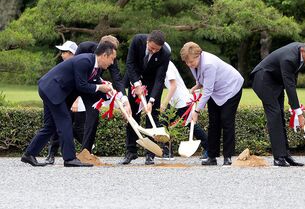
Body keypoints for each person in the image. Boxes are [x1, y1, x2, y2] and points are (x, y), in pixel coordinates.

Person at [21, 42, 116, 167]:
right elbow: (81, 85)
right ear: (104, 55)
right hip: (52, 89)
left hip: (51, 89)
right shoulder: (85, 61)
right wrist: (100, 87)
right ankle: (69, 158)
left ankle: (29, 154)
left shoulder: (94, 67)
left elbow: (94, 82)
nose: (112, 63)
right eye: (112, 59)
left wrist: (106, 89)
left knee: (50, 126)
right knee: (65, 122)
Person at [251, 40, 305, 167]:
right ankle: (278, 157)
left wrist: (292, 101)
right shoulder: (289, 58)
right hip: (262, 79)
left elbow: (293, 78)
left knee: (280, 114)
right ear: (303, 51)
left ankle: (285, 154)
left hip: (276, 82)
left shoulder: (300, 53)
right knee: (275, 114)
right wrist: (299, 114)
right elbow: (289, 85)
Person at [182, 42, 244, 166]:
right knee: (213, 122)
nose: (189, 65)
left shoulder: (208, 64)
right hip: (216, 90)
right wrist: (197, 86)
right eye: (187, 62)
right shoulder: (192, 62)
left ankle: (228, 156)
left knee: (226, 121)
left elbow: (208, 91)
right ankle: (212, 156)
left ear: (198, 55)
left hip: (231, 88)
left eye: (191, 62)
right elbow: (201, 79)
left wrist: (196, 111)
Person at [120, 30, 171, 165]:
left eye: (157, 50)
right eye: (151, 48)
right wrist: (136, 84)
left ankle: (150, 154)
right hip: (135, 79)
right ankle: (131, 151)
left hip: (153, 83)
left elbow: (160, 79)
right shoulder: (137, 41)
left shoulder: (165, 53)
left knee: (152, 115)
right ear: (147, 41)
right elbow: (130, 64)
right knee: (132, 116)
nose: (154, 51)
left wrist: (152, 100)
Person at [72, 35, 129, 155]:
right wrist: (75, 100)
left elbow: (117, 78)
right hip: (75, 84)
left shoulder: (111, 57)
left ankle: (86, 152)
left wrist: (125, 99)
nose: (112, 58)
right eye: (111, 52)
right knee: (63, 115)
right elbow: (73, 71)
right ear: (104, 48)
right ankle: (52, 153)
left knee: (93, 113)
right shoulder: (84, 48)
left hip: (93, 86)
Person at [161, 45, 208, 160]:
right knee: (164, 122)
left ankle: (209, 148)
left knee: (189, 125)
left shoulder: (167, 66)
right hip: (176, 101)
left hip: (183, 102)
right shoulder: (162, 65)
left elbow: (173, 86)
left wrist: (164, 103)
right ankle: (167, 151)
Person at [44, 40, 85, 164]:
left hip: (74, 103)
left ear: (73, 54)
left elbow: (80, 86)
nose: (62, 54)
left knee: (75, 128)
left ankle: (87, 149)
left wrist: (76, 101)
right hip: (59, 100)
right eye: (61, 52)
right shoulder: (61, 67)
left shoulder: (78, 66)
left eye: (65, 52)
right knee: (56, 127)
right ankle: (51, 153)